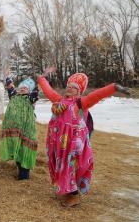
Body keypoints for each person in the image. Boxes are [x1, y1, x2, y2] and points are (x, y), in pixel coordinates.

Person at [37, 67, 130, 207]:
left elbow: (97, 95)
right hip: (59, 142)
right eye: (68, 86)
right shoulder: (59, 101)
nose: (69, 89)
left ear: (79, 91)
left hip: (73, 143)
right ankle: (68, 191)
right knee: (61, 165)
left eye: (73, 87)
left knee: (71, 166)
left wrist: (114, 87)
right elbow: (48, 90)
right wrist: (41, 78)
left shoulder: (81, 103)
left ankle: (74, 197)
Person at [0, 72, 39, 180]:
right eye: (21, 87)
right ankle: (20, 171)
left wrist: (41, 79)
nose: (23, 89)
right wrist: (7, 76)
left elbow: (36, 92)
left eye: (26, 88)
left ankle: (24, 176)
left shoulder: (30, 99)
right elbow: (10, 86)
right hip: (15, 131)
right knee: (18, 149)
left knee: (25, 149)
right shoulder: (14, 96)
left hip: (27, 130)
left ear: (29, 90)